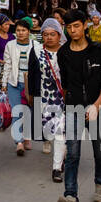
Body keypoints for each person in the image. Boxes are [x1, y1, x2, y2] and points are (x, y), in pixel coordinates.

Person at [55, 9, 101, 202]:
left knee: (100, 151)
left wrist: (96, 105)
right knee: (72, 153)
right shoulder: (63, 54)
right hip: (73, 108)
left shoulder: (98, 50)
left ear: (85, 25)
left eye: (76, 26)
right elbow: (65, 84)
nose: (73, 30)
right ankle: (71, 196)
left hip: (96, 106)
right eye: (69, 27)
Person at [26, 18, 65, 177]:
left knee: (60, 132)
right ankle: (62, 156)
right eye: (46, 34)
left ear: (59, 35)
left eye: (52, 34)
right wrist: (31, 96)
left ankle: (56, 167)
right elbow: (32, 74)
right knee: (49, 132)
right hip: (43, 97)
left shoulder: (66, 51)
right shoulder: (36, 52)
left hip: (63, 97)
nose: (49, 37)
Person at [1, 19, 34, 155]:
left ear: (29, 32)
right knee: (16, 112)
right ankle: (19, 142)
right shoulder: (10, 45)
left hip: (30, 84)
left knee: (28, 112)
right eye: (18, 30)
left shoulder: (36, 45)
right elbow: (7, 64)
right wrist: (4, 83)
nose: (20, 33)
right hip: (14, 82)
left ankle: (27, 137)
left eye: (23, 30)